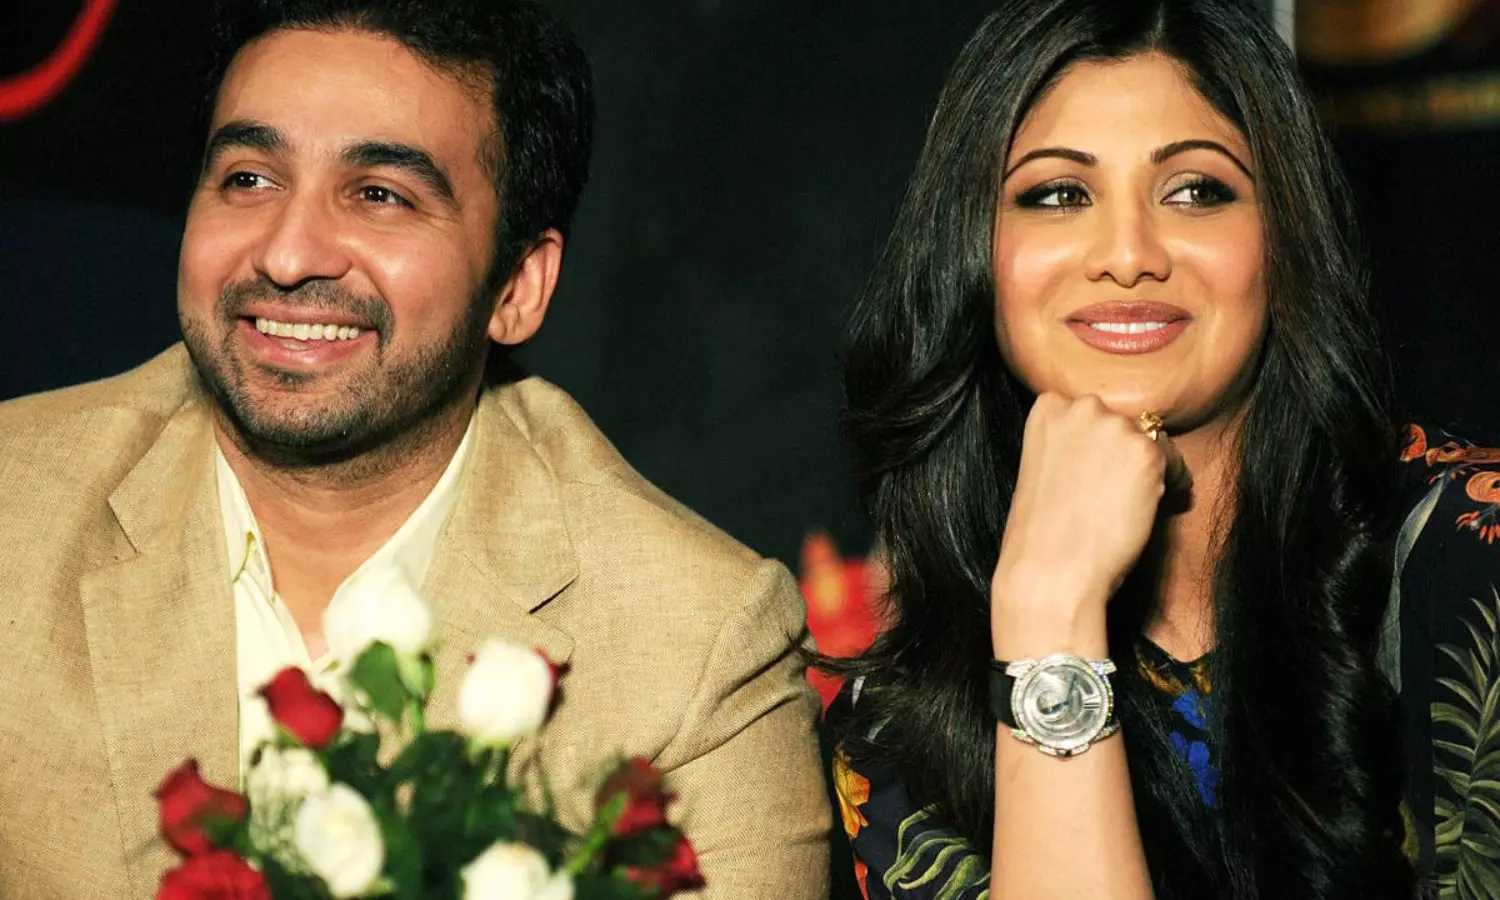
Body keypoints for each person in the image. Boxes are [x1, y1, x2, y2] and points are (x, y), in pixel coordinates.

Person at [0, 1, 829, 897]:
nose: (287, 254)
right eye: (249, 179)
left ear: (517, 287)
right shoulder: (18, 507)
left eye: (380, 195)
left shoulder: (695, 646)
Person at [824, 0, 1500, 897]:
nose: (1129, 253)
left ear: (1285, 232)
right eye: (1059, 195)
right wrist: (1050, 617)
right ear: (974, 252)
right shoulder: (902, 720)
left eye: (1195, 191)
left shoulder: (1474, 559)